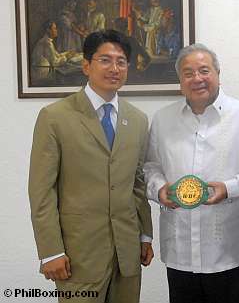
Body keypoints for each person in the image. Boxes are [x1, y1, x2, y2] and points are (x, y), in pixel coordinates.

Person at [144, 43, 239, 303]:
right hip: (180, 249)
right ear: (180, 80)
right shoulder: (163, 119)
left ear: (218, 73)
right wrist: (160, 190)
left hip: (230, 249)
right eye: (188, 73)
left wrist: (228, 188)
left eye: (204, 70)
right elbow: (151, 167)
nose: (197, 79)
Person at [29, 29, 153, 303]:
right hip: (77, 255)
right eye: (105, 60)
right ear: (86, 65)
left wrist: (145, 234)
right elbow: (42, 192)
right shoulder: (55, 117)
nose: (114, 68)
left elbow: (138, 184)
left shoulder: (138, 120)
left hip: (127, 251)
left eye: (121, 62)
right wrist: (50, 251)